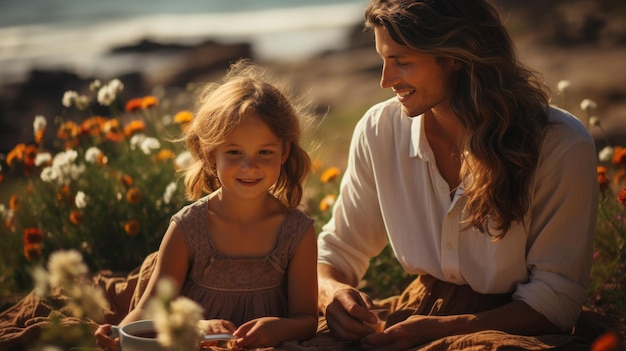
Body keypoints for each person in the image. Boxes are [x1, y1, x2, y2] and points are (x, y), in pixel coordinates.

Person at [316, 0, 599, 350]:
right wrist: (333, 294)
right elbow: (337, 251)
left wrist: (436, 332)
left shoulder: (560, 144)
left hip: (517, 328)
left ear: (455, 56)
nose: (385, 80)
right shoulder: (379, 130)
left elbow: (555, 299)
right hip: (414, 313)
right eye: (383, 59)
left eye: (401, 62)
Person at [95, 61, 318, 350]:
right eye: (234, 152)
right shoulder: (189, 227)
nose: (249, 166)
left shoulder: (297, 232)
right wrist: (119, 333)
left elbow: (306, 319)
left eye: (265, 152)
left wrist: (279, 328)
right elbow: (150, 311)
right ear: (211, 153)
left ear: (284, 151)